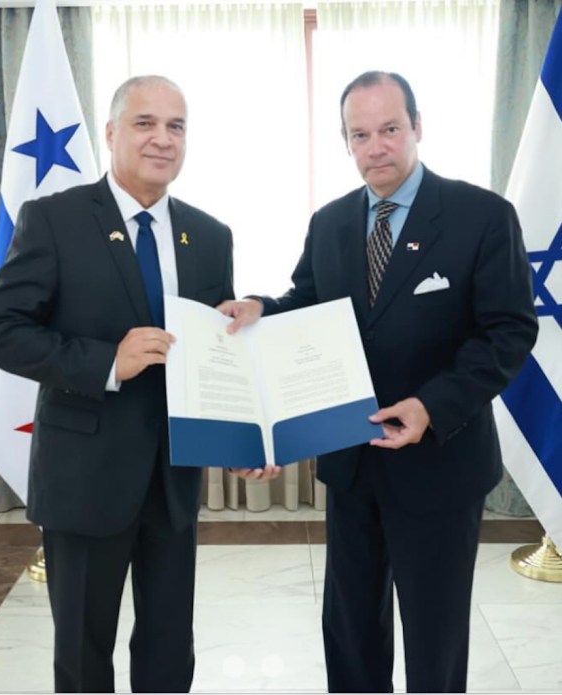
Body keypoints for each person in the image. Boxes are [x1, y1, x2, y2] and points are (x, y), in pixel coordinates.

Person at [218, 71, 538, 693]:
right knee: (351, 629)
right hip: (351, 458)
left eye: (389, 129)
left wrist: (431, 405)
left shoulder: (481, 216)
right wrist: (262, 307)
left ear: (417, 126)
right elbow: (309, 302)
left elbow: (508, 331)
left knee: (434, 636)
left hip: (440, 462)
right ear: (346, 142)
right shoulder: (331, 222)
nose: (376, 147)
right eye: (359, 135)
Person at [0, 74, 257, 693]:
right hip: (84, 478)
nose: (163, 138)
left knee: (169, 653)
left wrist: (241, 440)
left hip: (173, 481)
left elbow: (214, 357)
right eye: (145, 123)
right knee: (83, 657)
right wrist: (108, 362)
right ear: (110, 133)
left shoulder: (210, 235)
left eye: (176, 126)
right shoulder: (55, 219)